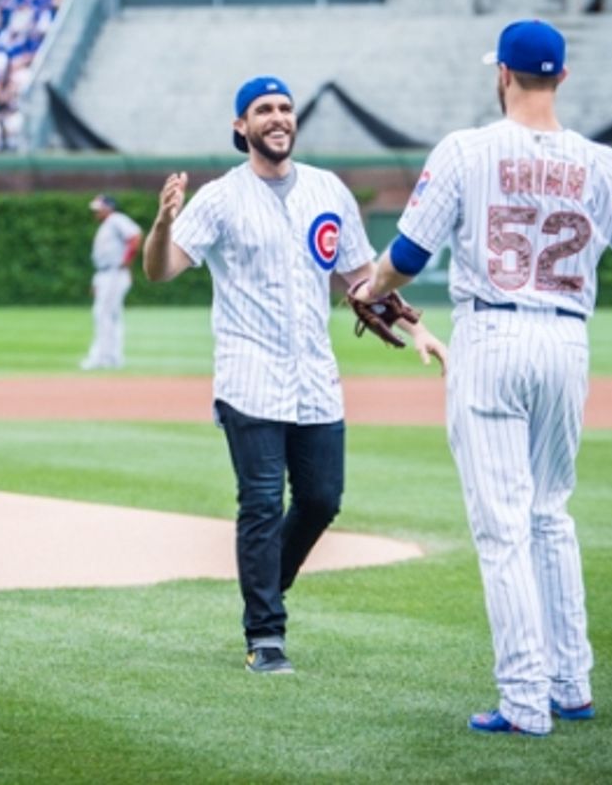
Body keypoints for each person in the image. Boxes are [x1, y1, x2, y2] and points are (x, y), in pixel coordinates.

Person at [350, 19, 612, 735]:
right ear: (561, 77)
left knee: (503, 529)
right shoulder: (600, 162)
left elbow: (409, 255)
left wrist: (367, 285)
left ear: (502, 75)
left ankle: (522, 700)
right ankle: (571, 683)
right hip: (566, 341)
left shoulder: (467, 149)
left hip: (491, 334)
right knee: (550, 515)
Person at [144, 76, 447, 674]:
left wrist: (418, 328)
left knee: (319, 499)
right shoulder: (220, 198)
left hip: (315, 377)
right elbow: (162, 270)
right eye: (263, 110)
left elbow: (365, 279)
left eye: (285, 108)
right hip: (248, 374)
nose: (277, 117)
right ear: (241, 127)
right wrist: (161, 224)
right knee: (260, 503)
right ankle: (266, 634)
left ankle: (264, 588)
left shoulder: (327, 190)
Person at [81, 193, 142, 371]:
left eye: (99, 209)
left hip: (114, 273)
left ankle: (101, 357)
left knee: (103, 314)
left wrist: (127, 261)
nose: (96, 212)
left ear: (108, 207)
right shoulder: (107, 225)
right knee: (111, 316)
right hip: (106, 274)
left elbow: (135, 236)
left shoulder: (116, 219)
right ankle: (113, 357)